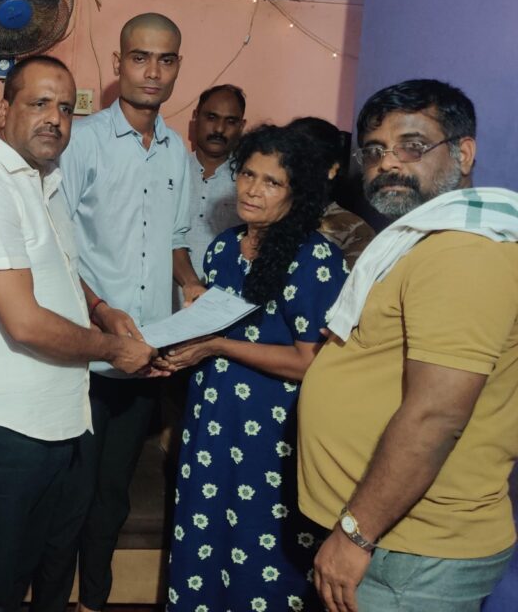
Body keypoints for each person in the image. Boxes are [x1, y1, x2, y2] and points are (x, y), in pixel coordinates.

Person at [0, 55, 156, 612]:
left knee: (25, 586)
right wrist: (114, 350)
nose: (54, 119)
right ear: (4, 109)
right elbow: (25, 321)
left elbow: (52, 267)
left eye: (64, 108)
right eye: (38, 104)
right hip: (1, 431)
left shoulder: (43, 183)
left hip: (55, 424)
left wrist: (100, 308)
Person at [299, 79, 518, 612]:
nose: (388, 163)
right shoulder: (418, 242)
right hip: (394, 541)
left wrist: (356, 534)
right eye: (374, 150)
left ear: (463, 153)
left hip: (407, 551)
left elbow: (436, 415)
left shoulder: (464, 252)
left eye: (413, 145)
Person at [159, 125, 349, 612]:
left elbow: (311, 362)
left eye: (271, 182)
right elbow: (215, 328)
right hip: (212, 421)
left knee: (262, 550)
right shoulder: (223, 248)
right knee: (202, 535)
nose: (252, 189)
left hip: (272, 436)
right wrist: (183, 342)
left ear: (297, 192)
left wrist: (216, 346)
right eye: (247, 174)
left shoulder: (316, 259)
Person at [51, 12, 202, 612]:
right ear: (118, 64)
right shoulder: (82, 141)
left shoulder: (177, 151)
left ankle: (95, 600)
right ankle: (52, 598)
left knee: (113, 493)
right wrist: (98, 310)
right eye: (140, 57)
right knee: (70, 493)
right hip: (84, 357)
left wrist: (190, 286)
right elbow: (56, 246)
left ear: (178, 67)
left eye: (165, 60)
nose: (152, 71)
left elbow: (176, 241)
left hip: (145, 356)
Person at [286, 116, 375, 268]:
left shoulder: (355, 231)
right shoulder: (267, 212)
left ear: (332, 169)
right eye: (288, 160)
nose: (293, 170)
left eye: (306, 161)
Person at [186, 84, 247, 279]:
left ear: (242, 126)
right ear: (196, 117)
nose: (219, 129)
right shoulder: (172, 170)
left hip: (225, 291)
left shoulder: (248, 181)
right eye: (211, 117)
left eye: (230, 121)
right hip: (167, 290)